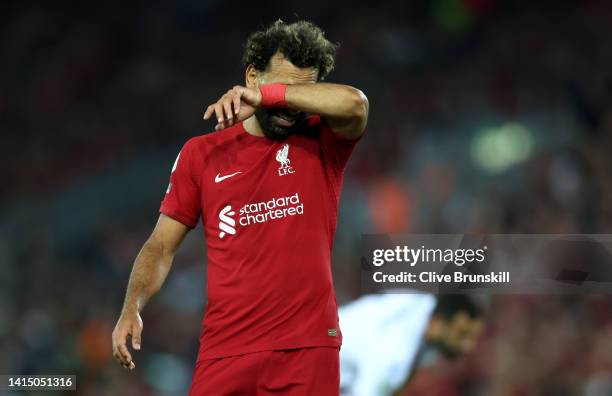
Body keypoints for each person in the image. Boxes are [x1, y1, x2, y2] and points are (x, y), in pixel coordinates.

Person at [111, 19, 368, 395]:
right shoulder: (202, 154)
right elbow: (161, 246)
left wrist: (272, 94)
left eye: (300, 91)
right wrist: (131, 306)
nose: (289, 102)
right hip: (224, 351)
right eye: (279, 84)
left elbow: (355, 103)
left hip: (306, 348)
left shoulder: (322, 139)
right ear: (252, 76)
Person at [339, 293, 483, 396]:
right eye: (462, 334)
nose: (468, 346)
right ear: (437, 323)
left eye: (472, 336)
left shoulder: (426, 308)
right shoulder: (398, 350)